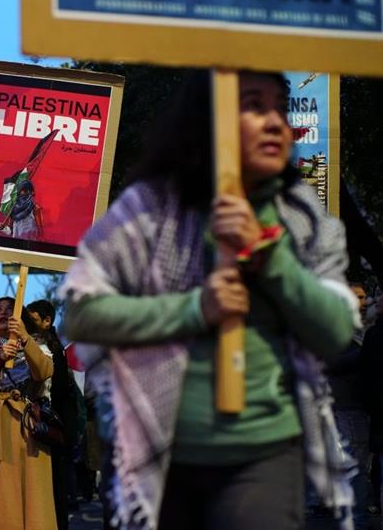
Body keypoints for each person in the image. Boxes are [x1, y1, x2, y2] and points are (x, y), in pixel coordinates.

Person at [61, 71, 358, 530]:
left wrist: (271, 259)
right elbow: (82, 312)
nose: (277, 122)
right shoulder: (150, 209)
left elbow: (337, 329)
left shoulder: (300, 213)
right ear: (210, 119)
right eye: (255, 105)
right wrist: (195, 308)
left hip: (265, 454)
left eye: (281, 106)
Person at [0, 296, 56, 529]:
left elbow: (44, 371)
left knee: (32, 495)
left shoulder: (38, 347)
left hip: (28, 429)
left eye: (10, 308)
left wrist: (25, 339)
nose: (4, 312)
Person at [27, 299, 83, 530]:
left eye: (33, 320)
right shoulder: (44, 343)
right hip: (51, 427)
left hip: (53, 429)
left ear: (47, 321)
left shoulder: (52, 349)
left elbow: (58, 390)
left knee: (54, 488)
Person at [328, 283, 374, 528]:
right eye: (359, 297)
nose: (364, 301)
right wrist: (369, 352)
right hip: (347, 406)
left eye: (365, 297)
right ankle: (357, 517)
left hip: (355, 406)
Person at [359, 291, 383, 520]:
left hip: (377, 406)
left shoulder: (374, 334)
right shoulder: (374, 334)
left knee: (377, 455)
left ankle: (376, 499)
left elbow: (364, 370)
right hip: (376, 406)